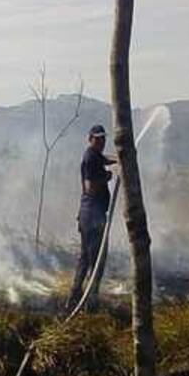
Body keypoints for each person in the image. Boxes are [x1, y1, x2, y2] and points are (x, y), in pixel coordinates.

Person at [66, 124, 116, 310]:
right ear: (90, 139)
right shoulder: (90, 159)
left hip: (88, 216)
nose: (101, 142)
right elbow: (90, 187)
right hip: (93, 218)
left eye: (103, 138)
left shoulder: (95, 156)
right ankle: (91, 302)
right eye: (97, 138)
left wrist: (117, 159)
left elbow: (105, 159)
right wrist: (108, 177)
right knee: (97, 261)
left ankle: (74, 296)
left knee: (85, 258)